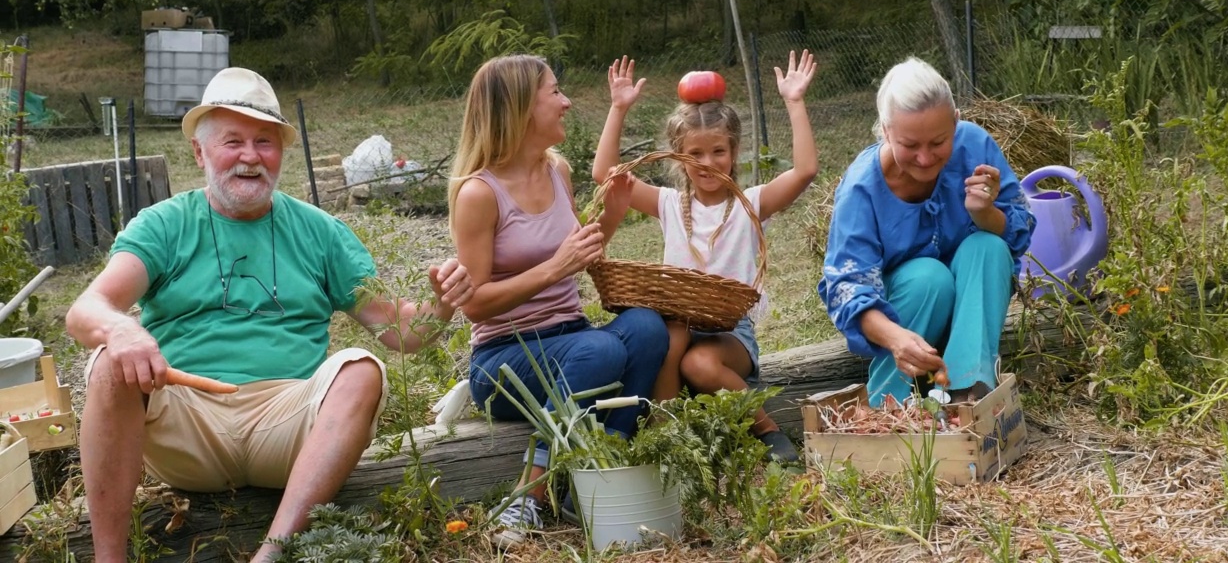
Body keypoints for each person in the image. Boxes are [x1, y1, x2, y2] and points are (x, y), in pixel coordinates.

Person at [65, 67, 474, 563]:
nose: (250, 156)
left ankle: (272, 555)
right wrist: (122, 329)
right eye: (232, 141)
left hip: (287, 424)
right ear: (200, 152)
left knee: (362, 370)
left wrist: (445, 302)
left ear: (281, 153)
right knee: (110, 363)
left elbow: (402, 333)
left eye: (265, 141)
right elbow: (86, 309)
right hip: (184, 420)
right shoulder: (165, 224)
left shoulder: (321, 233)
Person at [448, 54, 668, 549]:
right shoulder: (479, 194)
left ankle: (602, 472)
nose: (567, 101)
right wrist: (552, 268)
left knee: (648, 328)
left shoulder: (558, 171)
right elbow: (475, 305)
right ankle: (533, 489)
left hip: (571, 340)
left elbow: (581, 255)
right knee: (604, 351)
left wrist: (610, 215)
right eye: (555, 92)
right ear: (523, 108)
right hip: (504, 359)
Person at [591, 51, 819, 463]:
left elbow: (804, 171)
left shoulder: (752, 203)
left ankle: (767, 431)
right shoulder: (667, 204)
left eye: (718, 151)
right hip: (680, 329)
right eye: (694, 153)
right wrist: (618, 107)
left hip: (730, 337)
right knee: (672, 333)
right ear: (678, 154)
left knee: (697, 363)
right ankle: (668, 429)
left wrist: (795, 102)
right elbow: (606, 172)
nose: (707, 163)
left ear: (733, 152)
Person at [818, 57, 1035, 407]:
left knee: (989, 247)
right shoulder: (861, 188)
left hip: (972, 310)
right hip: (903, 320)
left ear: (956, 122)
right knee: (928, 277)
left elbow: (1018, 231)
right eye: (909, 145)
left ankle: (968, 390)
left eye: (938, 143)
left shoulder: (976, 147)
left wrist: (986, 213)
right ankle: (889, 403)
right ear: (885, 132)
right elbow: (847, 288)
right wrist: (895, 338)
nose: (924, 158)